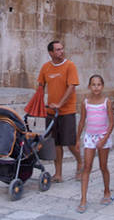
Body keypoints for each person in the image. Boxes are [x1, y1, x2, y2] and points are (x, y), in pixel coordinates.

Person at [37, 40, 82, 183]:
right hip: (51, 112)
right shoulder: (45, 68)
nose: (61, 52)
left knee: (69, 143)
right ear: (50, 53)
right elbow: (40, 87)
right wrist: (38, 104)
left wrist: (60, 104)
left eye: (62, 49)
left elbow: (71, 87)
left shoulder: (70, 66)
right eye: (57, 50)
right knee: (55, 143)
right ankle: (58, 173)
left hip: (67, 111)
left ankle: (80, 162)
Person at [75, 74, 114, 213]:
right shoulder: (85, 102)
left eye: (98, 84)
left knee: (103, 166)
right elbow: (82, 121)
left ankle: (107, 191)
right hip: (89, 137)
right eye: (93, 84)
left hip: (103, 136)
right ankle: (83, 199)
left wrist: (104, 139)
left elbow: (111, 123)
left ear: (102, 86)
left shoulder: (106, 102)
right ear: (89, 86)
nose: (96, 87)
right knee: (87, 167)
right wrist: (77, 139)